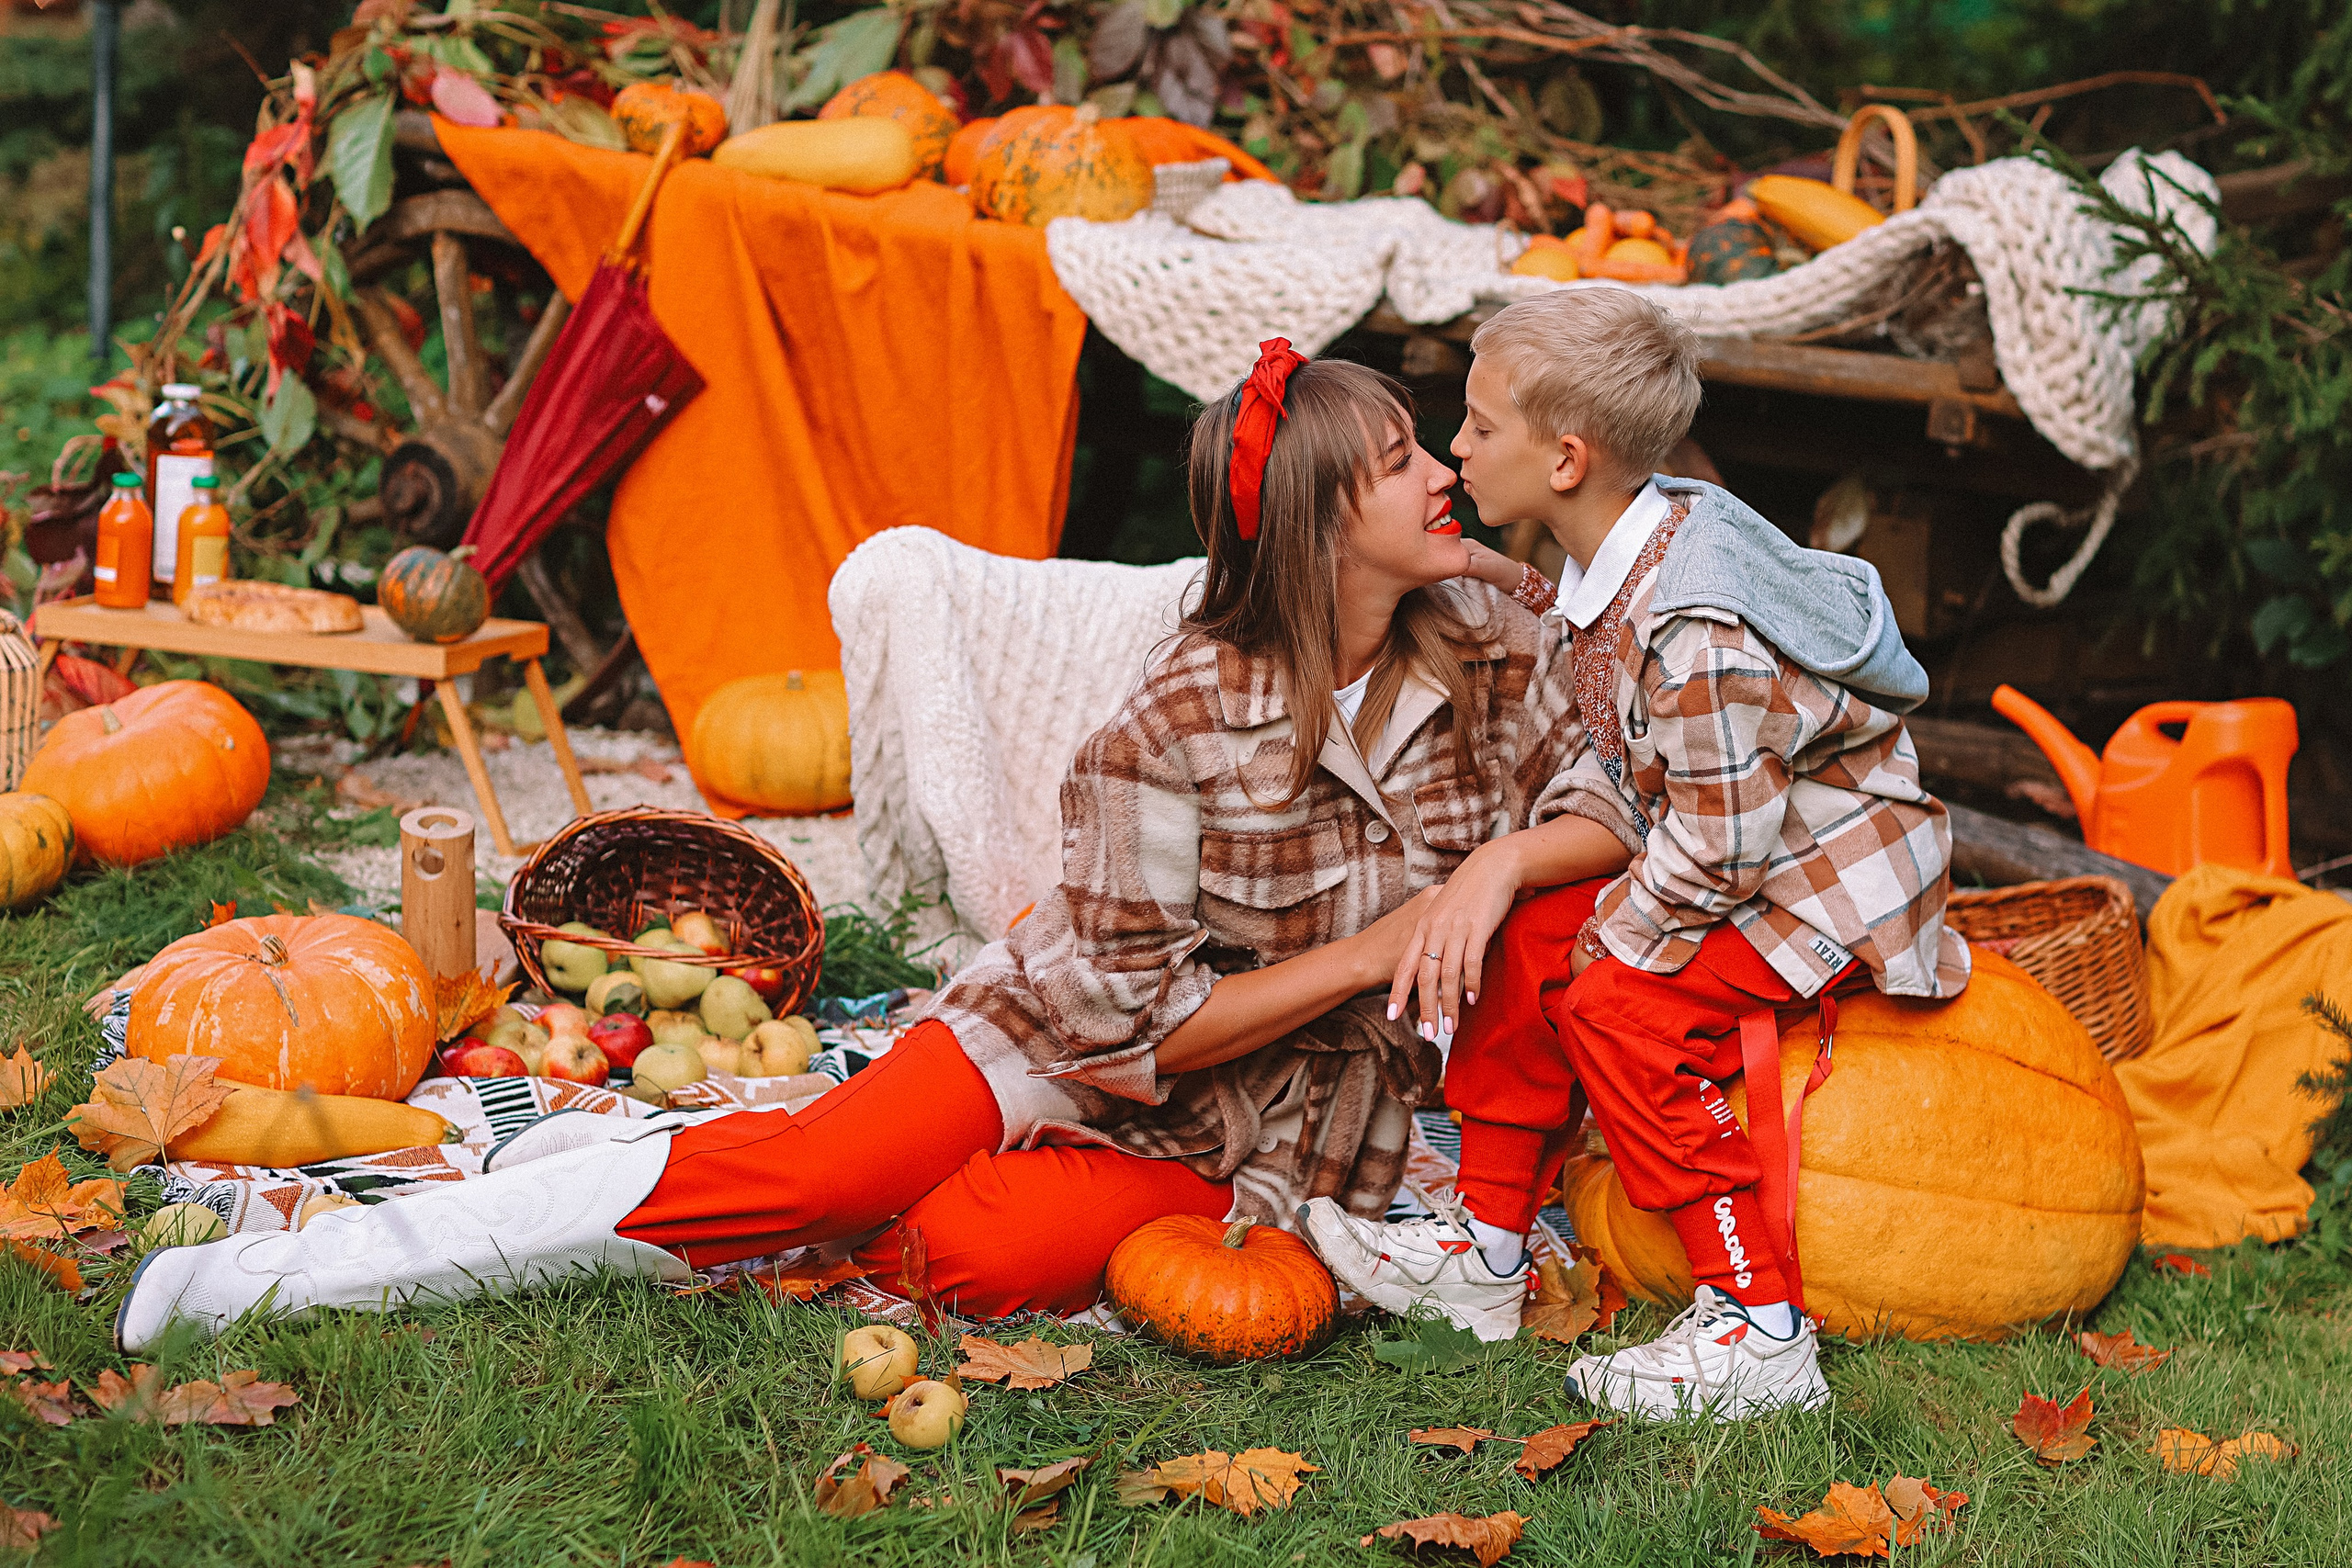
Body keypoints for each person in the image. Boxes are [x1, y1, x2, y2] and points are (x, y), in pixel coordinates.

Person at [117, 344, 1634, 1354]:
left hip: (1264, 1139)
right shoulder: (1175, 724)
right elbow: (1145, 1022)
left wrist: (1488, 874)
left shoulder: (1494, 639)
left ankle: (683, 1181)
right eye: (1395, 461)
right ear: (1313, 520)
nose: (1443, 471)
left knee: (965, 1257)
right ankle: (282, 1272)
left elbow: (1610, 796)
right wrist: (1380, 946)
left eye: (1426, 446)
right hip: (1072, 1040)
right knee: (822, 1171)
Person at [1301, 288, 1971, 1420]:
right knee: (1527, 939)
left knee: (1618, 1006)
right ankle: (1488, 1255)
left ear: (1564, 457)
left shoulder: (1694, 623)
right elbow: (1624, 763)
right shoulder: (1611, 557)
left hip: (1824, 885)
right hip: (1736, 850)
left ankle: (1758, 1325)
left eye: (1475, 425)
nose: (1455, 448)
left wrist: (1611, 949)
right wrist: (1518, 867)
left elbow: (1720, 848)